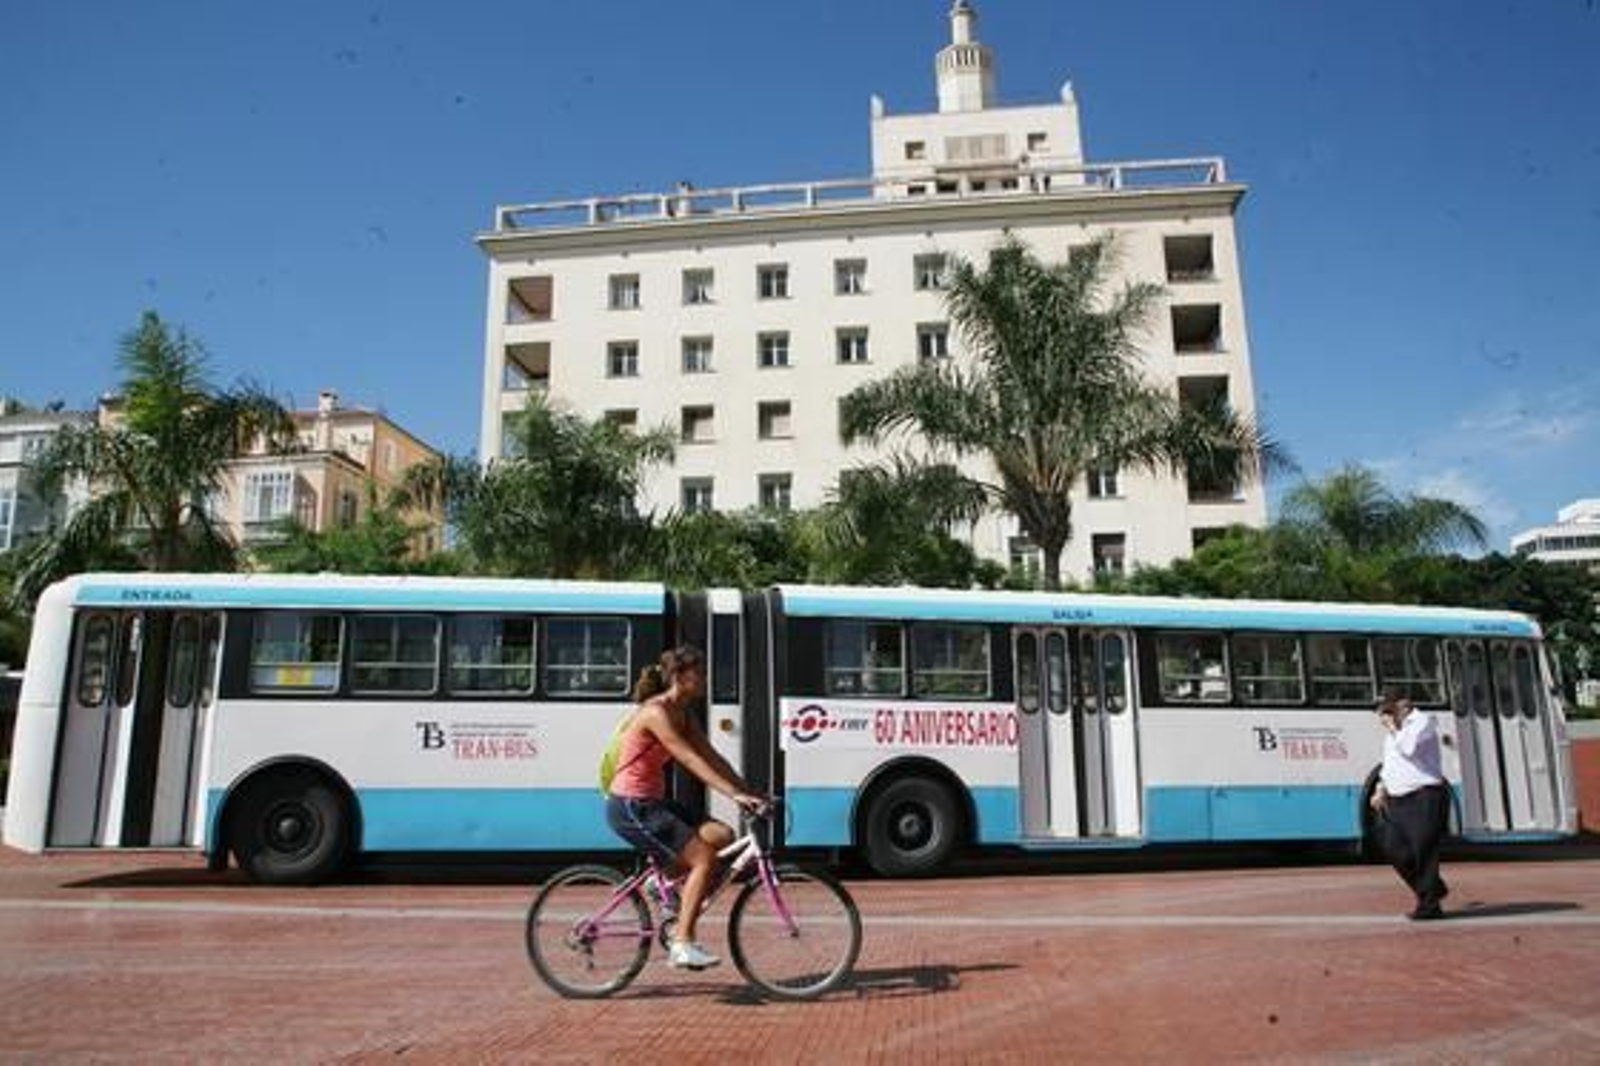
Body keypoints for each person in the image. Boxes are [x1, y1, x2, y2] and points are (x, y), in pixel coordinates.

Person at [605, 645, 765, 970]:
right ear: (679, 676)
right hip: (630, 805)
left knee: (722, 835)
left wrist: (751, 791)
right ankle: (682, 943)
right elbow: (688, 758)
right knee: (704, 859)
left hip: (653, 802)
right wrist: (733, 796)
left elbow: (711, 756)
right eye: (700, 673)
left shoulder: (684, 713)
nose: (705, 679)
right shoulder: (656, 712)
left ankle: (661, 879)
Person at [1368, 689, 1451, 920]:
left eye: (1387, 710)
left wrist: (1394, 729)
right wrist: (1380, 790)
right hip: (1397, 800)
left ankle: (1429, 905)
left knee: (1423, 851)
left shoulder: (1422, 722)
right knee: (1394, 849)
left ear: (1402, 705)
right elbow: (1389, 765)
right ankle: (1433, 889)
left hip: (1423, 796)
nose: (1383, 716)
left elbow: (1409, 749)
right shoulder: (1392, 735)